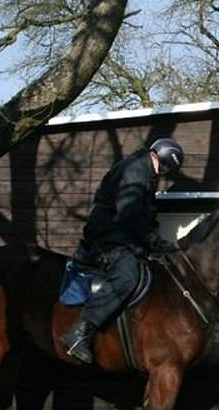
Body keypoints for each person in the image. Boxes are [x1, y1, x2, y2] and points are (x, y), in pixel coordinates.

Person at [61, 138, 185, 365]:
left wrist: (157, 244)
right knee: (127, 275)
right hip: (108, 236)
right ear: (164, 160)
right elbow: (129, 213)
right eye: (166, 169)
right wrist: (153, 241)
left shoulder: (144, 173)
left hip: (122, 235)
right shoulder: (136, 170)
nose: (163, 174)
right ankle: (80, 332)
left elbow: (141, 216)